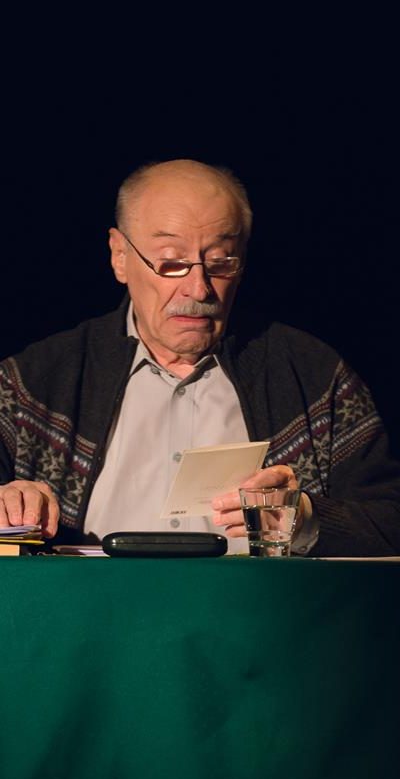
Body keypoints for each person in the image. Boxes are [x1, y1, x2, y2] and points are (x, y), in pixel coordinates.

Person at [0, 158, 399, 556]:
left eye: (220, 263)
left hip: (254, 600)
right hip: (85, 599)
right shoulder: (35, 382)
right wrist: (9, 507)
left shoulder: (313, 376)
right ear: (120, 256)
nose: (199, 288)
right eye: (171, 263)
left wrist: (308, 518)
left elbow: (390, 520)